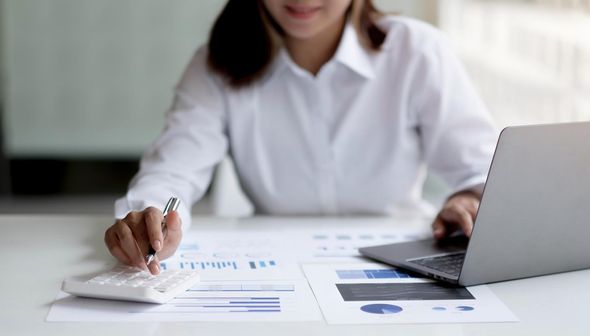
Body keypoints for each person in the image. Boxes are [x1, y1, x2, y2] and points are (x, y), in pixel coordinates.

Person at [104, 0, 498, 275]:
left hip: (403, 263)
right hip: (277, 269)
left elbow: (482, 170)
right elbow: (173, 171)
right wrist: (150, 215)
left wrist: (469, 198)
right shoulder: (215, 66)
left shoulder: (417, 50)